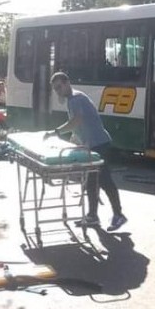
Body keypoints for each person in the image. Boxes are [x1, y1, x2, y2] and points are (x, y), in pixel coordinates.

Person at [44, 72, 127, 231]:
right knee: (90, 182)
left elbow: (76, 121)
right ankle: (92, 216)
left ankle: (118, 215)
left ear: (68, 83)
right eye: (55, 89)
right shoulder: (73, 99)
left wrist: (55, 132)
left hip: (99, 144)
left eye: (59, 87)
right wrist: (75, 141)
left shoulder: (76, 99)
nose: (58, 91)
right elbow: (80, 125)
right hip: (93, 145)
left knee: (104, 180)